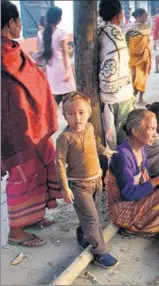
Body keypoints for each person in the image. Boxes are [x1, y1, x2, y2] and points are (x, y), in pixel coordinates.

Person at [1, 1, 61, 247]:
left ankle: (34, 216)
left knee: (39, 166)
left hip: (33, 123)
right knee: (21, 175)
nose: (21, 25)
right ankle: (16, 231)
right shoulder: (4, 55)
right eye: (18, 21)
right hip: (15, 129)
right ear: (12, 23)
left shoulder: (13, 48)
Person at [55, 92, 118, 268]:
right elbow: (59, 163)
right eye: (71, 114)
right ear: (65, 116)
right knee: (91, 218)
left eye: (81, 113)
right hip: (79, 185)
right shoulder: (64, 138)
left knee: (93, 215)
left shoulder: (90, 127)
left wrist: (103, 150)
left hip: (96, 181)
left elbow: (94, 143)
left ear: (89, 112)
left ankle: (82, 233)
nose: (77, 118)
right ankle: (100, 252)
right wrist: (64, 188)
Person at [105, 109, 159, 237]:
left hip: (136, 196)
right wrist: (158, 181)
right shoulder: (122, 156)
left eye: (155, 129)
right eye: (151, 129)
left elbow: (145, 175)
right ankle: (135, 227)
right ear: (135, 132)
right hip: (122, 207)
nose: (155, 134)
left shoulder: (140, 148)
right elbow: (128, 194)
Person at [98, 0, 136, 150]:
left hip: (107, 94)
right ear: (118, 14)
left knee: (112, 134)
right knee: (124, 135)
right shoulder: (116, 34)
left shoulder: (100, 30)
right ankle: (124, 164)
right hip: (120, 95)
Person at [42, 6, 76, 105]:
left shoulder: (43, 33)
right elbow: (65, 53)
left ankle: (51, 117)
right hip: (62, 67)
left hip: (51, 69)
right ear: (58, 19)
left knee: (56, 96)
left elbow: (43, 53)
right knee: (70, 96)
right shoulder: (61, 32)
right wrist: (67, 71)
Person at [125, 8, 151, 103]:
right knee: (132, 78)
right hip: (132, 58)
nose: (146, 17)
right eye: (145, 15)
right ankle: (132, 97)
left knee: (142, 78)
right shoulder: (129, 27)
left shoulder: (147, 27)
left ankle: (140, 98)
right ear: (138, 16)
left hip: (143, 57)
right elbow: (126, 41)